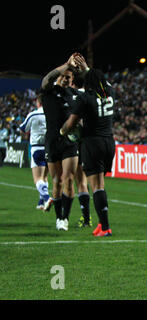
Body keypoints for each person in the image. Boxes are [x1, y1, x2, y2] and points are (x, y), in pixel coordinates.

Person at [60, 55, 115, 237]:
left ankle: (105, 227)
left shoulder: (85, 98)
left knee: (97, 186)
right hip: (109, 142)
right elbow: (102, 81)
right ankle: (101, 224)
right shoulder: (110, 93)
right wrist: (87, 68)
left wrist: (62, 131)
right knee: (100, 184)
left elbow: (71, 124)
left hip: (93, 143)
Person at [40, 53, 81, 231]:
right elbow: (47, 78)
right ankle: (58, 217)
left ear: (72, 79)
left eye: (68, 77)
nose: (65, 79)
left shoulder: (74, 95)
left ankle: (65, 218)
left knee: (69, 179)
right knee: (56, 181)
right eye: (63, 76)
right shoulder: (48, 91)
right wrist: (66, 64)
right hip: (52, 140)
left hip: (70, 141)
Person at [19, 95, 52, 210]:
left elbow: (23, 128)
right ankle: (41, 202)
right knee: (45, 177)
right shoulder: (52, 113)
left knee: (37, 178)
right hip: (50, 148)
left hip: (37, 148)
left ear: (38, 103)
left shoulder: (33, 114)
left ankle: (47, 198)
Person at [69, 72, 92, 228]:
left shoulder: (72, 96)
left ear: (72, 83)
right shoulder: (93, 95)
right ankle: (88, 218)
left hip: (75, 141)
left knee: (72, 181)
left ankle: (64, 217)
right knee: (86, 183)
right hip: (91, 142)